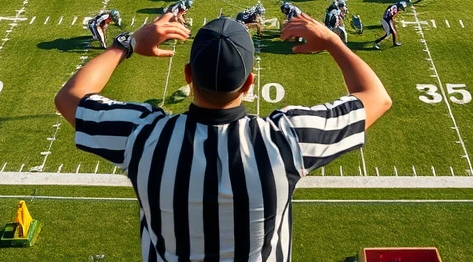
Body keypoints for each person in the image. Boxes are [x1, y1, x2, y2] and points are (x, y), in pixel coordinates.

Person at [54, 13, 390, 262]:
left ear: (188, 76)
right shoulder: (285, 141)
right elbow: (376, 96)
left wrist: (124, 44)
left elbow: (70, 97)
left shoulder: (145, 137)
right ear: (249, 83)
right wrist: (332, 41)